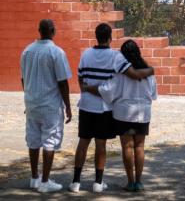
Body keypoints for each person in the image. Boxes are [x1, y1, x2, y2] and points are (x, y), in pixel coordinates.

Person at [69, 24, 154, 193]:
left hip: (86, 105)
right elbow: (133, 76)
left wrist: (86, 90)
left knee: (83, 142)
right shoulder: (116, 57)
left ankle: (76, 182)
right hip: (103, 108)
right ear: (110, 38)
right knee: (101, 144)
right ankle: (98, 183)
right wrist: (151, 70)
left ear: (96, 36)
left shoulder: (85, 54)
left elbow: (81, 78)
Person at [98, 39, 157, 192]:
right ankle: (139, 182)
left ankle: (130, 182)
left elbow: (109, 92)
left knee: (127, 146)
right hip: (143, 113)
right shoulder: (148, 72)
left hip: (123, 113)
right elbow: (153, 94)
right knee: (140, 146)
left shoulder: (120, 72)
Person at [21, 19, 72, 193]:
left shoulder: (27, 51)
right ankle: (45, 181)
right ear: (53, 31)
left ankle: (34, 178)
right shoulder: (56, 52)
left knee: (33, 140)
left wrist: (28, 97)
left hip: (32, 103)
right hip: (50, 105)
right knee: (50, 140)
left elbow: (23, 79)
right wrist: (68, 107)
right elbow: (63, 83)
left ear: (39, 30)